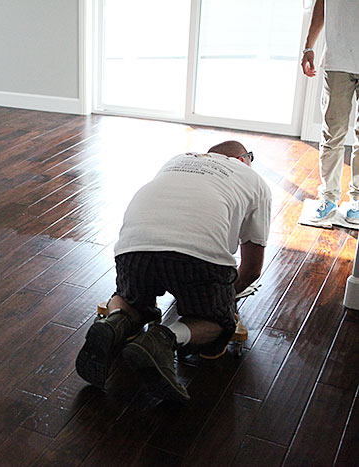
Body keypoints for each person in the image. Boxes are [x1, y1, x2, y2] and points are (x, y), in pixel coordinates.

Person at [76, 141, 271, 402]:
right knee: (219, 323)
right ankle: (164, 339)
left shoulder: (178, 160)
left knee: (131, 297)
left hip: (134, 248)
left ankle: (116, 320)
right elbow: (251, 269)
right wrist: (223, 300)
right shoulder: (254, 180)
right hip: (197, 257)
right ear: (243, 158)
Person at [301, 0, 359, 222]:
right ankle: (328, 197)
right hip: (338, 59)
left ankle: (358, 199)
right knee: (332, 133)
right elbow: (321, 3)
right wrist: (309, 46)